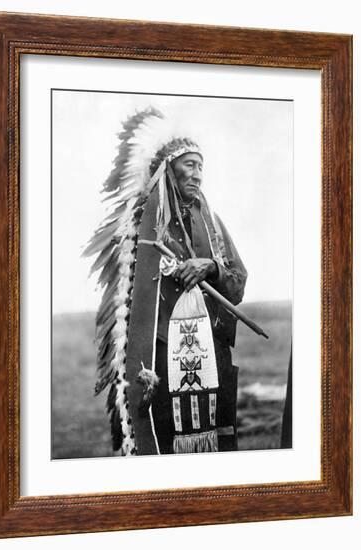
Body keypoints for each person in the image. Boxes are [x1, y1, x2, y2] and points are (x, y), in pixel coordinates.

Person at [84, 108, 247, 456]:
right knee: (164, 448)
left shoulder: (212, 225)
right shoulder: (139, 227)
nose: (198, 175)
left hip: (211, 355)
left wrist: (212, 268)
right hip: (159, 359)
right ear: (167, 169)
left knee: (216, 447)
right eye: (190, 165)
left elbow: (238, 280)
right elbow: (125, 304)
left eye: (201, 166)